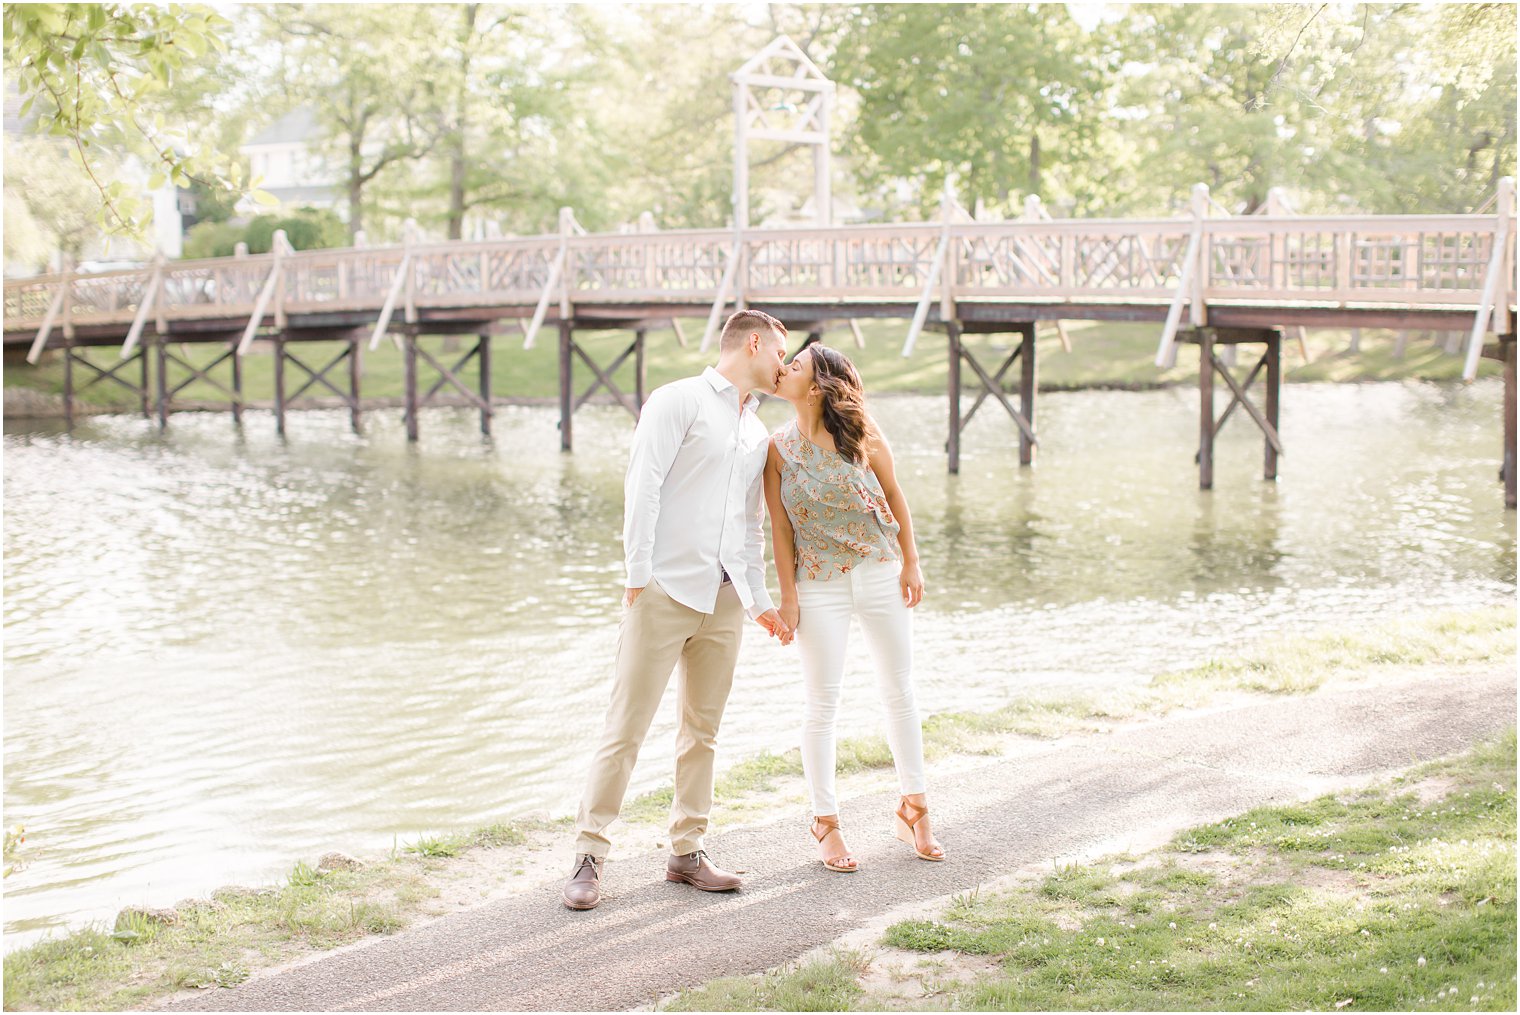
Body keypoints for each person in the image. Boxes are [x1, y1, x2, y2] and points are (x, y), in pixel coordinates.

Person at [563, 309, 791, 911]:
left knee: (703, 732)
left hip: (723, 601)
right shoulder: (677, 401)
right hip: (663, 591)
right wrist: (638, 574)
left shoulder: (754, 430)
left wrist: (759, 600)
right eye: (779, 355)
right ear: (753, 343)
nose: (783, 368)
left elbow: (750, 525)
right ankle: (590, 853)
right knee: (626, 728)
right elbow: (644, 485)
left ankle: (687, 851)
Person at [762, 343, 945, 873]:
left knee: (899, 691)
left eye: (793, 366)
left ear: (816, 387)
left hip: (881, 572)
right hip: (817, 584)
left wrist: (912, 563)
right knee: (822, 704)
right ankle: (825, 821)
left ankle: (916, 808)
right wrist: (788, 597)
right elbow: (778, 527)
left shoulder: (864, 435)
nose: (783, 369)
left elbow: (896, 496)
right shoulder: (776, 450)